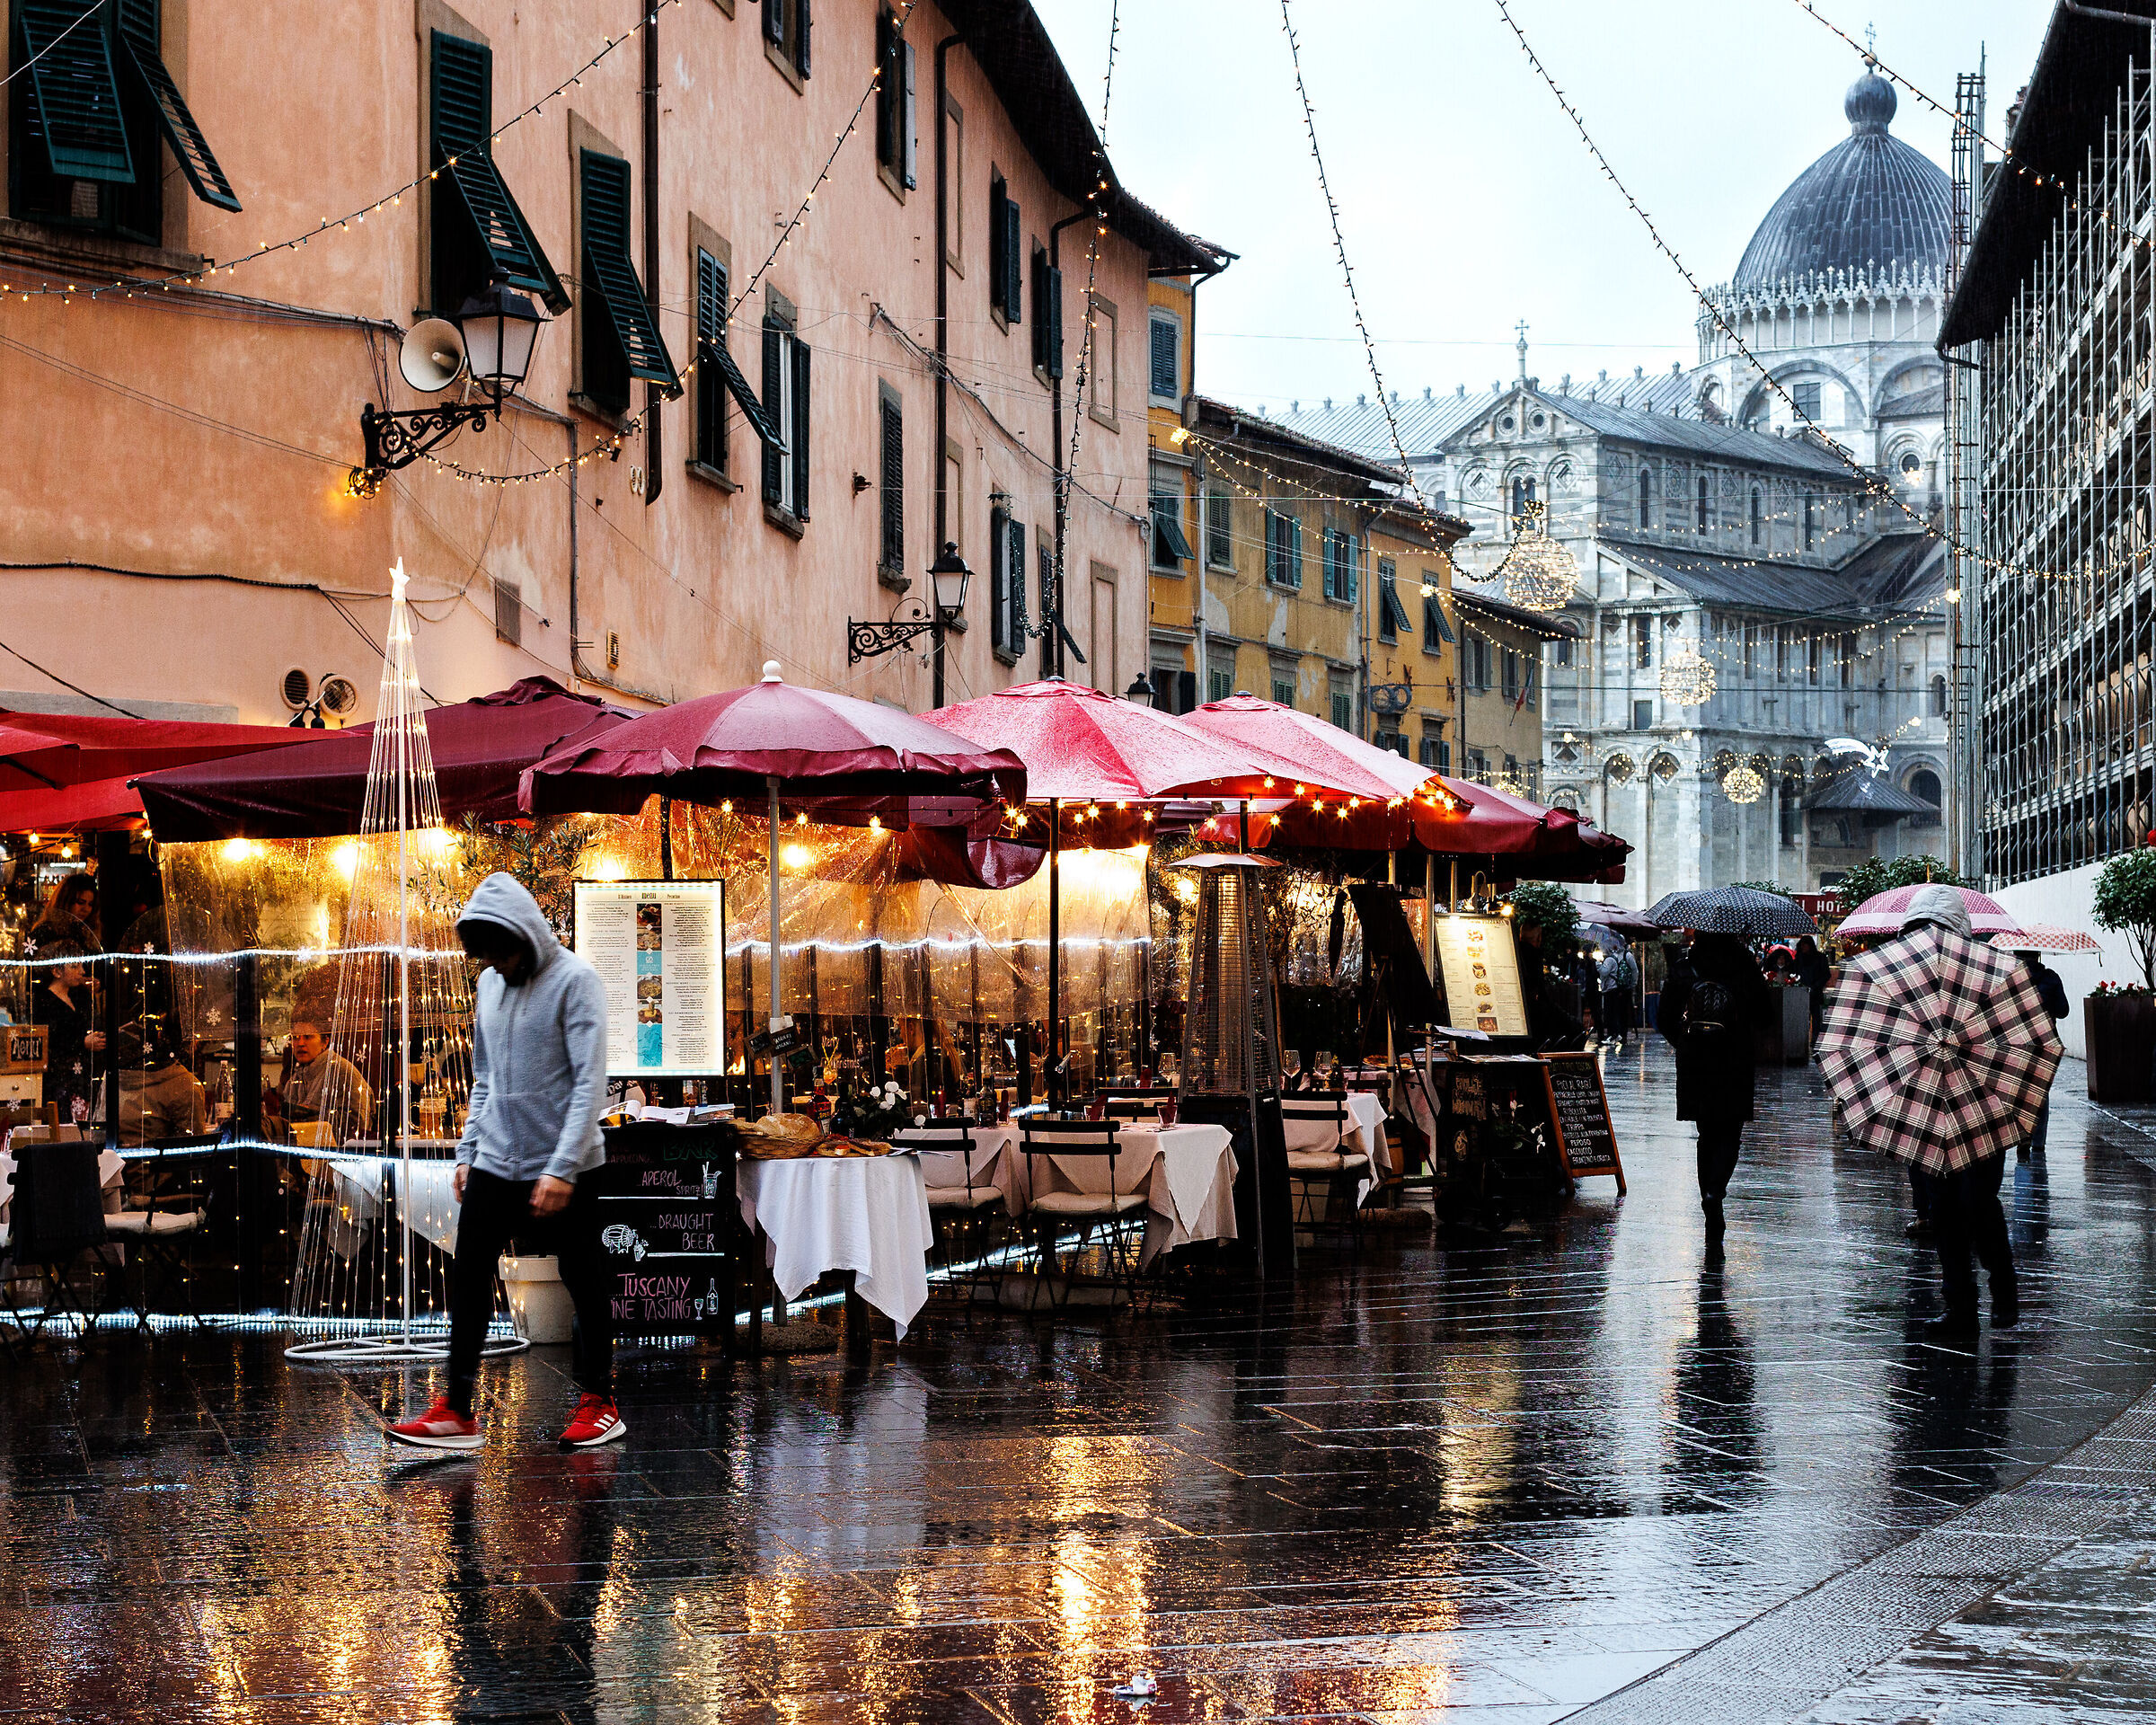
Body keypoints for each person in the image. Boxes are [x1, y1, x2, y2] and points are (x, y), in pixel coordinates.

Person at [388, 873, 620, 1452]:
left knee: (584, 1278)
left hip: (569, 1165)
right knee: (468, 1276)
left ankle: (600, 1401)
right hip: (497, 1160)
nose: (495, 962)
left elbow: (591, 1084)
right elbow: (485, 1079)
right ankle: (457, 1411)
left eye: (502, 949)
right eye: (485, 953)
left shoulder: (576, 982)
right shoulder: (489, 986)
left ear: (526, 934)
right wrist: (469, 1152)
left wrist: (562, 1167)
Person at [1897, 885, 2020, 1342]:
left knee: (1978, 1202)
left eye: (1935, 930)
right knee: (1943, 1209)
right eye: (1920, 931)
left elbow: (2011, 1041)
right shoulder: (1905, 981)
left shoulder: (1988, 976)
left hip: (1980, 1109)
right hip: (1929, 1107)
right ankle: (1960, 1306)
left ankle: (2003, 1291)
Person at [1657, 929, 1769, 1267]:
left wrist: (1686, 1043)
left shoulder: (1684, 966)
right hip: (1734, 1060)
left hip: (1696, 1062)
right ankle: (1716, 1189)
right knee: (1729, 1133)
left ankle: (1709, 1195)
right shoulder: (1744, 964)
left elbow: (1663, 1019)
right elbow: (1765, 1015)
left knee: (1706, 1133)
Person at [31, 939, 104, 1126]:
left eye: (81, 965)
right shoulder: (43, 1002)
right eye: (74, 966)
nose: (82, 972)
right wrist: (82, 1042)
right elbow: (49, 1039)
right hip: (59, 1079)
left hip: (82, 1076)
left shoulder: (80, 996)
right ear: (56, 971)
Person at [271, 1014, 374, 1145]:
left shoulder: (343, 1072)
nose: (300, 1043)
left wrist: (311, 1114)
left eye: (308, 1037)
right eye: (295, 1038)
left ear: (324, 1042)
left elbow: (357, 1126)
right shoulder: (295, 1077)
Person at [114, 1020, 206, 1144]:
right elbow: (192, 1146)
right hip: (154, 1161)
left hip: (112, 1161)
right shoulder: (184, 1085)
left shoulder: (114, 1078)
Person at [2019, 951, 2069, 1159]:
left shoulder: (2010, 979)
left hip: (2018, 1043)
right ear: (2038, 955)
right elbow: (2063, 1010)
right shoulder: (2051, 977)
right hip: (2045, 1043)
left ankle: (2023, 1138)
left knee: (2020, 1091)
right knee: (2041, 1091)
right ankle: (2038, 1143)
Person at [30, 871, 98, 956]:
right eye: (80, 902)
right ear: (65, 901)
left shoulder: (88, 933)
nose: (86, 909)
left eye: (90, 904)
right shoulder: (45, 931)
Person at [1790, 936, 1831, 1047]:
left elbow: (1826, 974)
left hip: (1815, 992)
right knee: (1802, 1018)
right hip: (1801, 992)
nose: (1803, 947)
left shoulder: (1820, 958)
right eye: (1801, 945)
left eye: (1805, 944)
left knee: (1816, 1018)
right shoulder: (1799, 959)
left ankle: (1815, 1040)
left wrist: (1816, 986)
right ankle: (1802, 1040)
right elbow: (1794, 973)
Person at [1599, 943, 1638, 1048]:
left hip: (1625, 988)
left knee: (1622, 1012)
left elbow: (1634, 970)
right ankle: (1618, 1034)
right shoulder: (1615, 955)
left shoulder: (1627, 955)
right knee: (1617, 1011)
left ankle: (1622, 1034)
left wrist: (1633, 984)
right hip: (1617, 987)